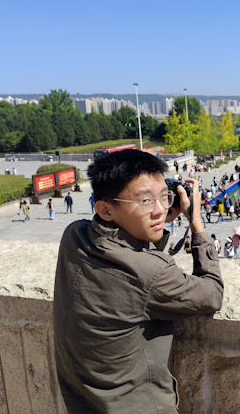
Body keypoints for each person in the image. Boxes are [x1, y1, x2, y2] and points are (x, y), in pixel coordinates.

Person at [53, 149, 223, 412]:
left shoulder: (73, 236)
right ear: (105, 209)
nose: (159, 209)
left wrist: (149, 221)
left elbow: (127, 256)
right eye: (145, 201)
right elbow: (212, 294)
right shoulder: (152, 273)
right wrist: (197, 223)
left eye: (164, 196)